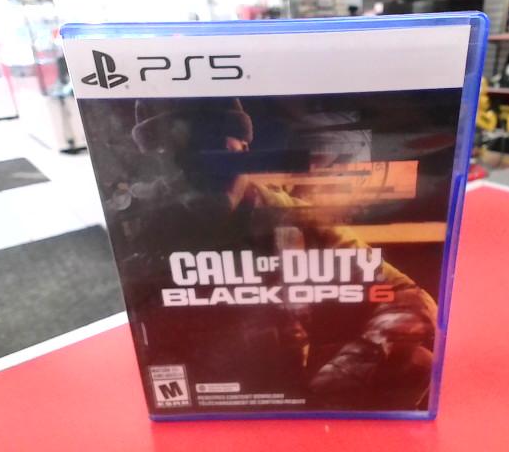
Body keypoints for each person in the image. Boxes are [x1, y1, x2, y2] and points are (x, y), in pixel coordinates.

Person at [125, 97, 438, 409]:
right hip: (197, 390)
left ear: (243, 149)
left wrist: (357, 361)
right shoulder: (146, 229)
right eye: (184, 156)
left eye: (214, 148)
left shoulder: (296, 220)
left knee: (416, 363)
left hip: (285, 385)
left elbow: (408, 296)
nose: (204, 169)